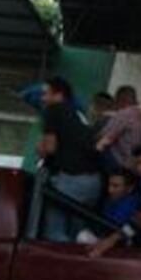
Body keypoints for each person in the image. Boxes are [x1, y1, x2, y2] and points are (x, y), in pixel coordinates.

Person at [37, 76, 102, 242]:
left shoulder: (53, 110)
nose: (43, 98)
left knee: (54, 231)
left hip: (71, 180)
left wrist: (40, 148)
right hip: (94, 182)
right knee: (77, 234)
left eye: (46, 94)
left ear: (59, 95)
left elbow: (50, 148)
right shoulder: (78, 112)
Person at [96, 85, 141, 171]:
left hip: (122, 162)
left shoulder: (124, 114)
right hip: (136, 163)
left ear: (120, 100)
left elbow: (106, 136)